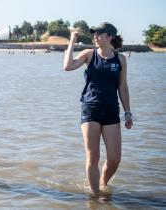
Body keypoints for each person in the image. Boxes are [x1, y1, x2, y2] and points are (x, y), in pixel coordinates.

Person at [63, 22, 133, 194]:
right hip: (90, 110)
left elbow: (123, 87)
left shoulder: (121, 60)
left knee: (115, 158)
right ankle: (95, 197)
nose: (95, 36)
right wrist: (72, 41)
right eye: (94, 34)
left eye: (99, 34)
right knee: (93, 156)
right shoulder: (88, 54)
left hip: (111, 111)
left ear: (110, 37)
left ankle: (103, 183)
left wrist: (128, 112)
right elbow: (68, 66)